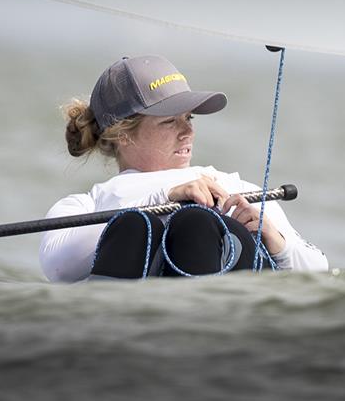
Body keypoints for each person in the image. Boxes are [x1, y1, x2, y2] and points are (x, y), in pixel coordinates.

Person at [39, 55, 328, 282]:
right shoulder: (84, 205)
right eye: (169, 121)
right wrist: (162, 199)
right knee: (136, 227)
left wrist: (277, 242)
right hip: (132, 287)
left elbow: (318, 270)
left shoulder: (234, 188)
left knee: (195, 223)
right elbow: (58, 268)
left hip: (224, 300)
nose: (187, 131)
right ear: (122, 134)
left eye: (189, 117)